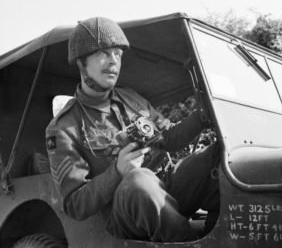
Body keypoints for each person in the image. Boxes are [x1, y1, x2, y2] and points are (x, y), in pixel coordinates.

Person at [46, 17, 219, 242]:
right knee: (138, 179)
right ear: (81, 62)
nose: (113, 62)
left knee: (218, 156)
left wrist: (203, 116)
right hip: (126, 212)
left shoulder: (132, 98)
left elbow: (168, 138)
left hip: (166, 189)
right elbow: (74, 205)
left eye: (117, 54)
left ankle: (225, 235)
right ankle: (187, 241)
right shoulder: (64, 127)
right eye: (104, 53)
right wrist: (117, 171)